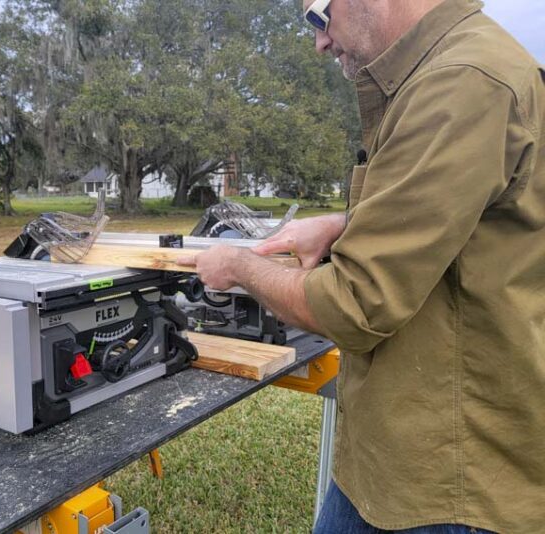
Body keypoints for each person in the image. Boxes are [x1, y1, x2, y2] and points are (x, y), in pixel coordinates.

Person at [177, 0, 545, 532]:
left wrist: (239, 267)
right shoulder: (453, 68)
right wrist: (344, 222)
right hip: (393, 453)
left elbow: (354, 303)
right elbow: (454, 218)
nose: (320, 42)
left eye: (317, 17)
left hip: (448, 479)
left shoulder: (461, 80)